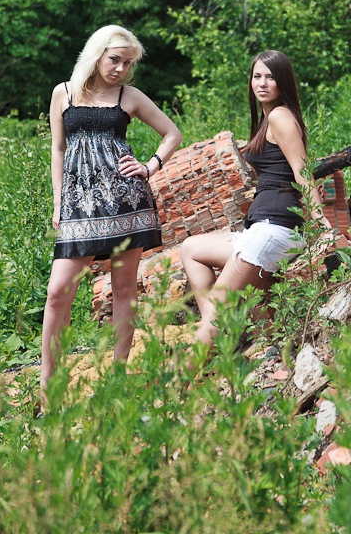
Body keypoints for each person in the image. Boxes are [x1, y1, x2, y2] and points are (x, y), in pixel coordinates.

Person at [40, 25, 182, 402]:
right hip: (78, 205)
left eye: (128, 63)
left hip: (126, 204)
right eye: (115, 59)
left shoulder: (128, 96)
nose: (121, 69)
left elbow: (172, 133)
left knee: (123, 289)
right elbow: (58, 149)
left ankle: (117, 377)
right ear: (97, 54)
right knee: (57, 292)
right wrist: (58, 201)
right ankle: (49, 388)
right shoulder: (64, 92)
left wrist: (149, 166)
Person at [180, 50, 332, 349]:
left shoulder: (279, 116)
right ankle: (222, 335)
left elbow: (303, 171)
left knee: (217, 311)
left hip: (274, 229)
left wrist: (322, 222)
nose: (262, 83)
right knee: (191, 249)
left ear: (283, 82)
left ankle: (190, 362)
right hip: (262, 229)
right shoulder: (268, 118)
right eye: (257, 76)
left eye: (270, 77)